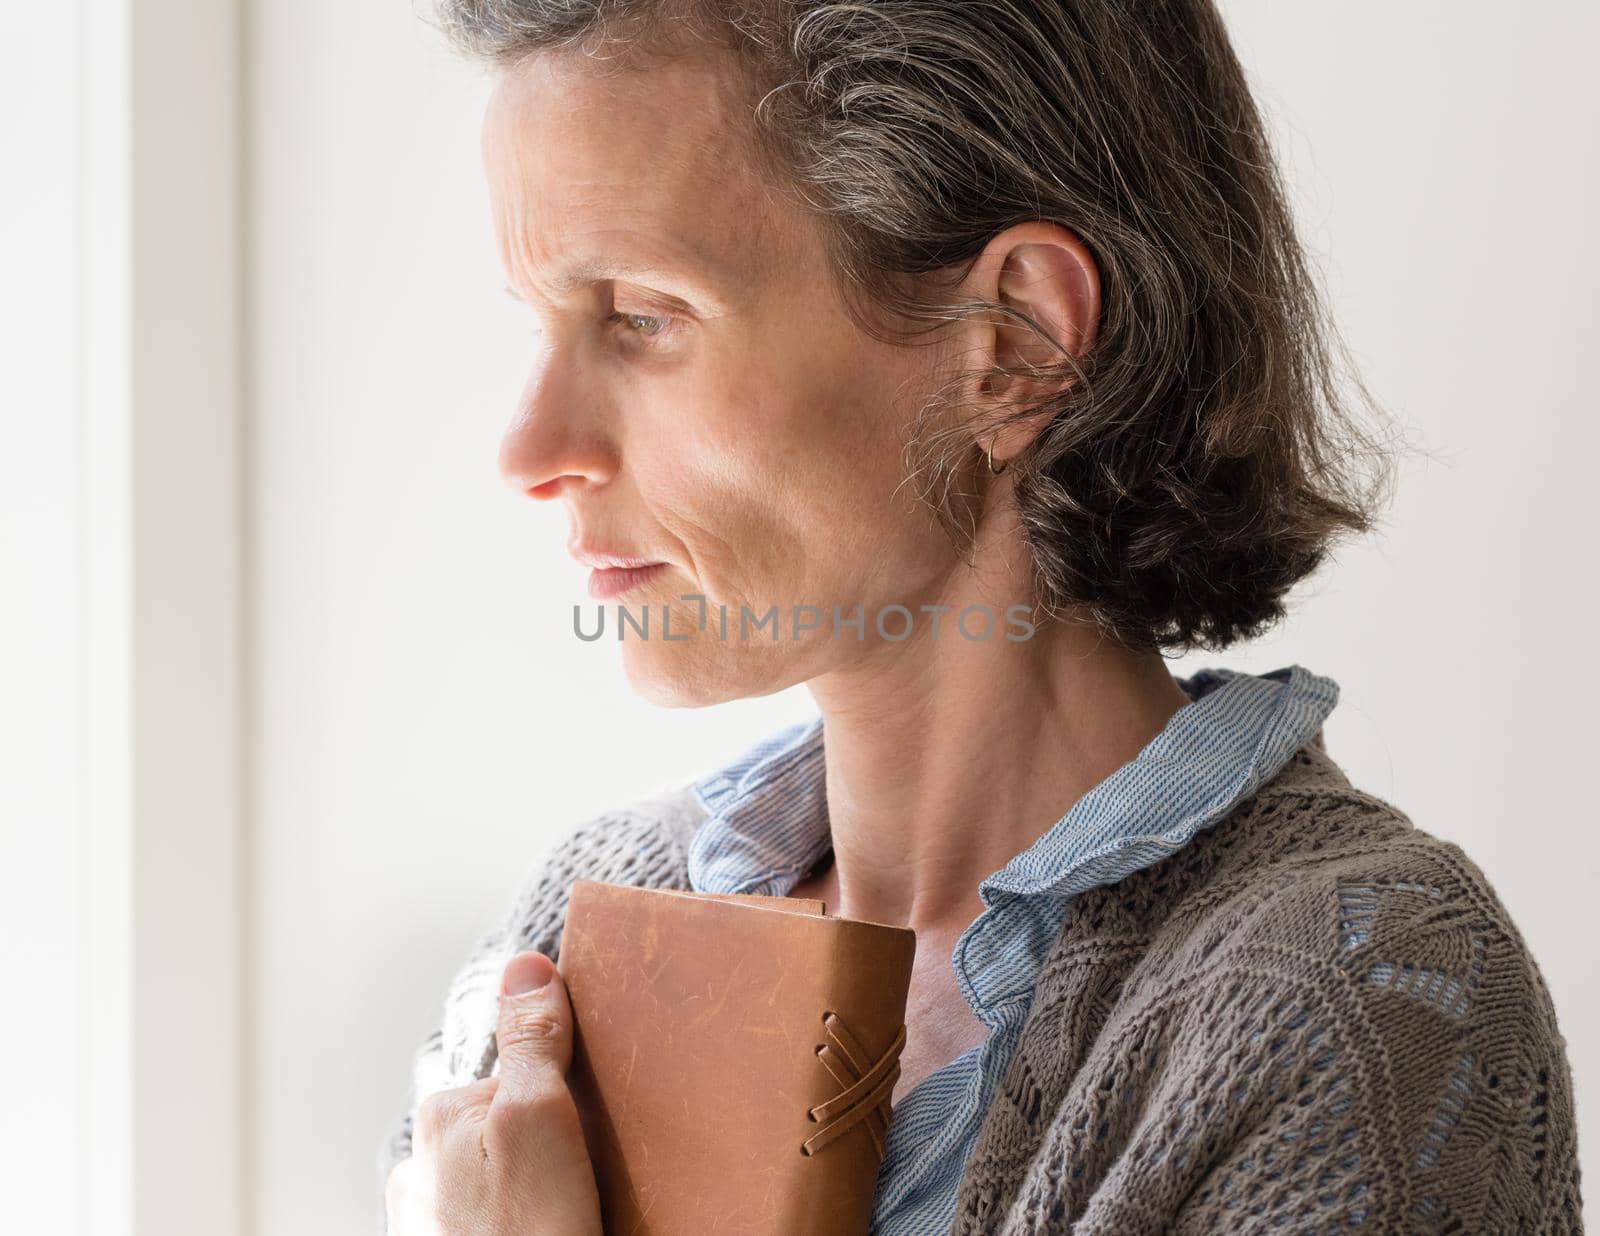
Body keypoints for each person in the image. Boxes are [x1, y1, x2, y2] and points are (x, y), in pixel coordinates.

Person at [382, 2, 1584, 1232]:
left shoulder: (1346, 999)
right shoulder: (580, 917)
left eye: (642, 316)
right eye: (540, 323)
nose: (531, 448)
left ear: (1012, 344)